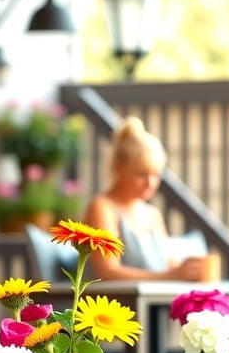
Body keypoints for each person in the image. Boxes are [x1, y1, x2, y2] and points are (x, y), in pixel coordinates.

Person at [83, 117, 211, 281]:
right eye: (141, 174)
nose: (150, 183)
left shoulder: (152, 214)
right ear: (119, 168)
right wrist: (171, 275)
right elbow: (108, 272)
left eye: (156, 175)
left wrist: (187, 271)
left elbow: (169, 266)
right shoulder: (102, 207)